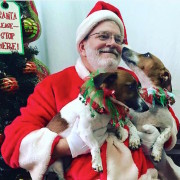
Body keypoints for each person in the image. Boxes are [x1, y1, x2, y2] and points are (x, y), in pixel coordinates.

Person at [1, 1, 180, 180]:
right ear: (82, 47)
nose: (113, 43)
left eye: (118, 39)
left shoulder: (131, 79)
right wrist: (69, 146)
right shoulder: (54, 85)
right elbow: (13, 145)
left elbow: (167, 118)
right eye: (103, 36)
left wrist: (158, 139)